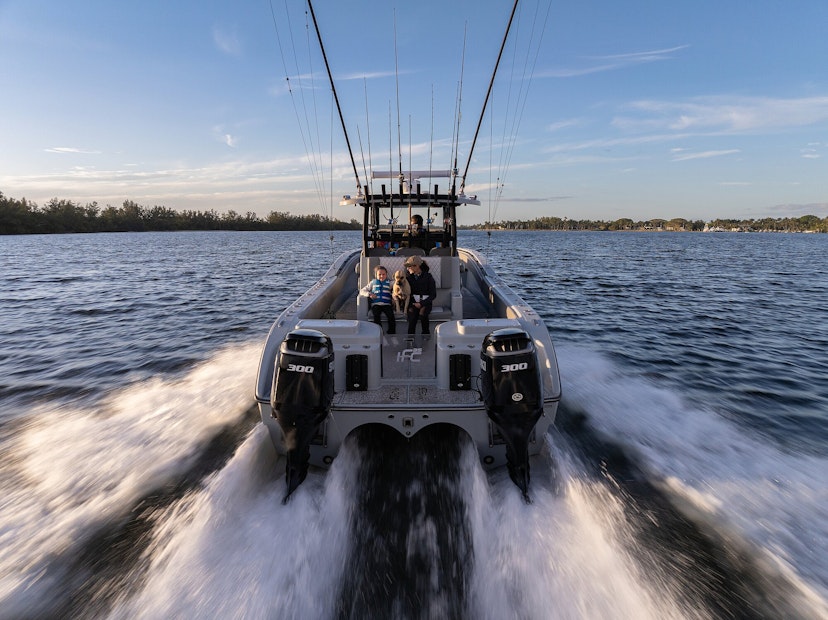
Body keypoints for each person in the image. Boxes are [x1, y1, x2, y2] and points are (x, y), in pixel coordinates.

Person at [404, 255, 436, 336]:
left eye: (409, 266)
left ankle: (426, 337)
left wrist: (421, 304)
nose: (407, 268)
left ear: (417, 266)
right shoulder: (407, 277)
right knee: (412, 318)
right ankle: (410, 339)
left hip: (425, 302)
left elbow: (433, 294)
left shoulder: (428, 277)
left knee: (423, 315)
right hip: (413, 302)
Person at [360, 265, 395, 334]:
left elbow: (397, 283)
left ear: (386, 274)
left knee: (391, 315)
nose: (382, 276)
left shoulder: (390, 283)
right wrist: (369, 294)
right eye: (379, 274)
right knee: (376, 315)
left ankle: (392, 332)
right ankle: (379, 331)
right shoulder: (372, 282)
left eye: (383, 274)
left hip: (386, 304)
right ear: (376, 275)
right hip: (376, 304)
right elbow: (362, 290)